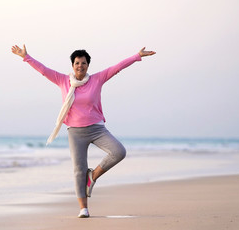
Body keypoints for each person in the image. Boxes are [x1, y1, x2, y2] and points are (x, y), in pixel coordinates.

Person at [11, 44, 156, 218]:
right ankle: (83, 208)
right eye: (77, 63)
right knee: (79, 170)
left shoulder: (97, 79)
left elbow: (117, 67)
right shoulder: (62, 80)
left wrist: (137, 55)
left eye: (84, 63)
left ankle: (93, 176)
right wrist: (26, 57)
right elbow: (43, 70)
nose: (80, 66)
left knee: (118, 152)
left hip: (97, 129)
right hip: (75, 132)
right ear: (72, 65)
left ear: (88, 65)